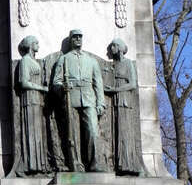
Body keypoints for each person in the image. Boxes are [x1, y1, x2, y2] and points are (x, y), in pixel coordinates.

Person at [52, 28, 105, 172]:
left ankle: (94, 163)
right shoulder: (63, 59)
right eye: (75, 37)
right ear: (71, 40)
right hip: (70, 98)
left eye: (80, 37)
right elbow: (56, 82)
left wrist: (100, 102)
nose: (78, 39)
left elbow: (98, 83)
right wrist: (62, 87)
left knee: (93, 131)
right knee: (72, 134)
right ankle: (75, 164)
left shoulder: (91, 61)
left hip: (89, 99)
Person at [105, 38, 144, 174]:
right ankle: (119, 163)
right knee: (117, 130)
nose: (111, 49)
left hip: (125, 100)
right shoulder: (114, 64)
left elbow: (133, 84)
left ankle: (129, 164)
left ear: (120, 48)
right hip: (115, 100)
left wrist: (115, 90)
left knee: (125, 131)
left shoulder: (128, 64)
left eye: (114, 46)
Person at [17, 35, 48, 174]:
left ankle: (38, 165)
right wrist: (42, 88)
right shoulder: (25, 61)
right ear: (30, 45)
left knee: (38, 133)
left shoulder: (34, 61)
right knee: (31, 132)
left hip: (37, 100)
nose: (38, 46)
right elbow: (24, 82)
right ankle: (28, 166)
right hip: (29, 99)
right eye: (36, 43)